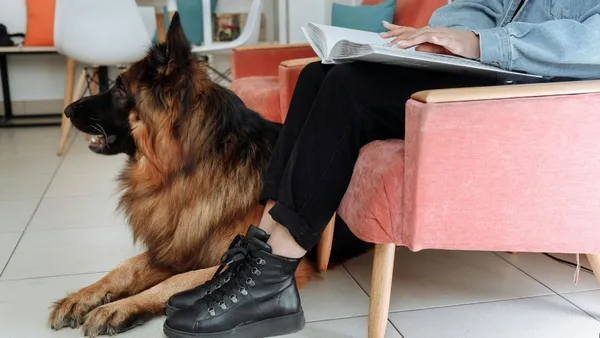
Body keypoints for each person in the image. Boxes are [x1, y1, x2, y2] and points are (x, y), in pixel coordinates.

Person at [163, 1, 600, 337]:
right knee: (321, 73)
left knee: (348, 91)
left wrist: (486, 43)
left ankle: (271, 279)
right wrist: (446, 34)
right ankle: (259, 257)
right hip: (488, 69)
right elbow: (480, 7)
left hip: (540, 95)